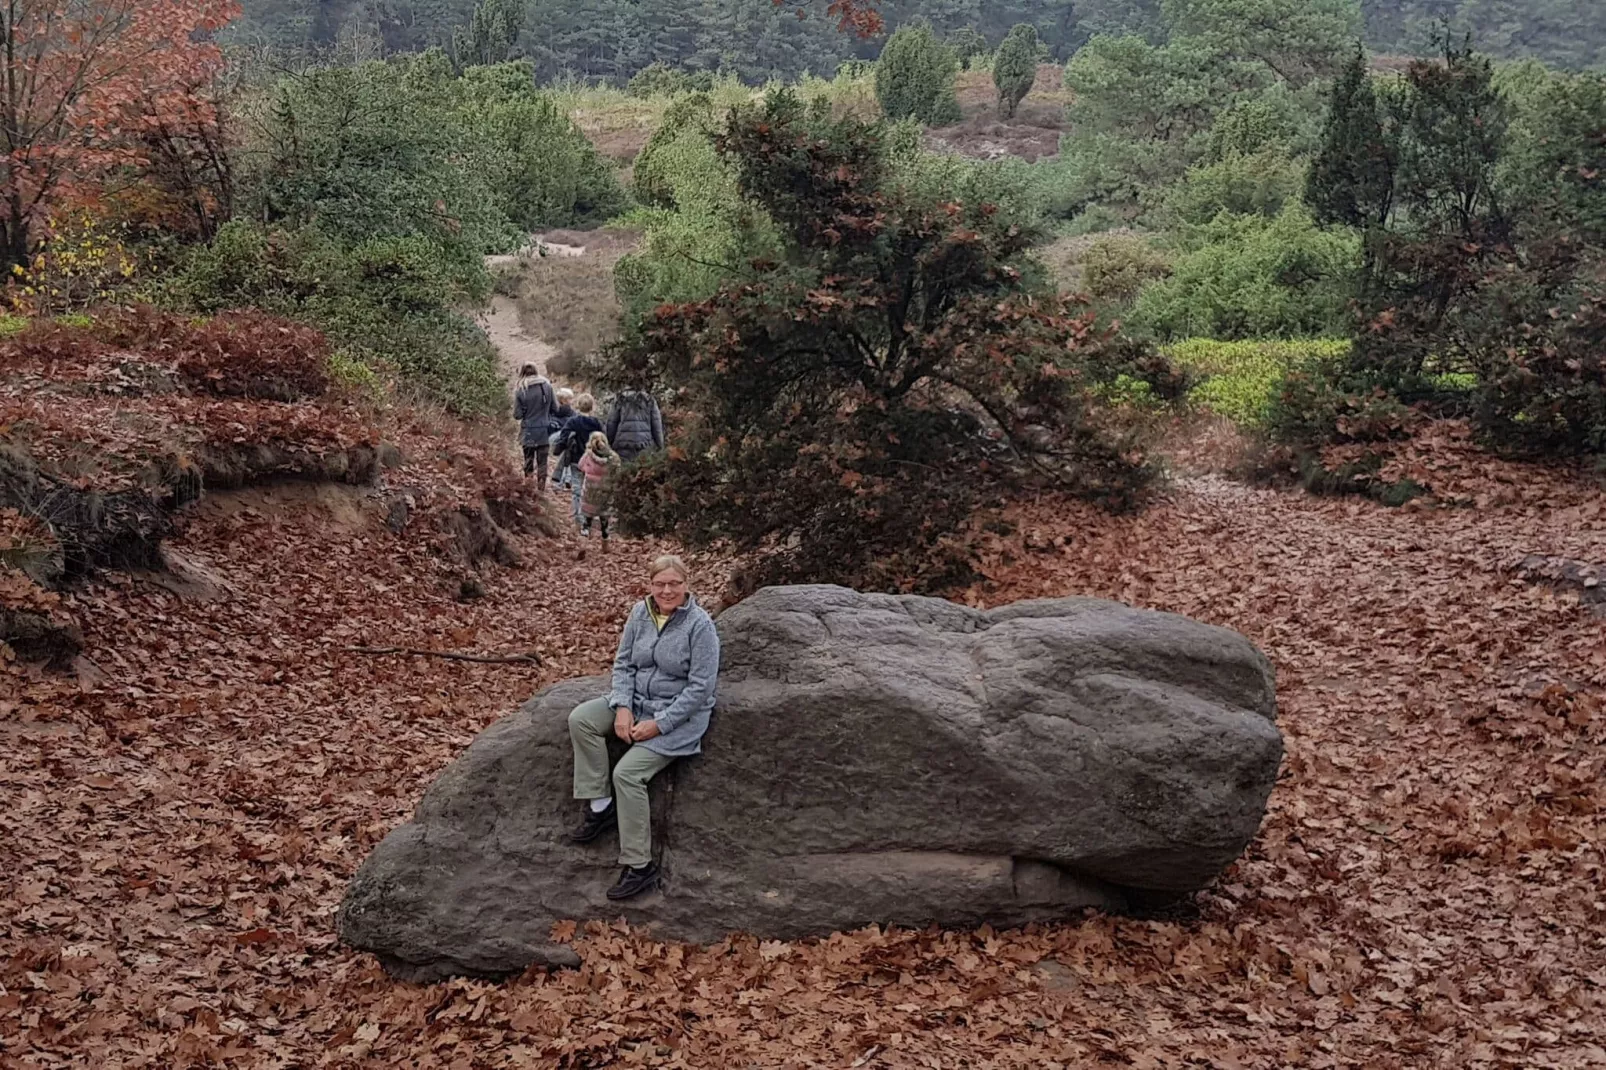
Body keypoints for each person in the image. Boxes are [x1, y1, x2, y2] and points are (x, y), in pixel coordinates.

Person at [567, 555, 719, 900]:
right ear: (650, 585)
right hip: (636, 703)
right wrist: (622, 706)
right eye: (660, 583)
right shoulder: (640, 613)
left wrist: (659, 725)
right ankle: (601, 808)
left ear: (686, 584)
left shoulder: (700, 625)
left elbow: (700, 688)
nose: (667, 590)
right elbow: (623, 664)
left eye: (674, 584)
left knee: (627, 774)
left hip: (677, 717)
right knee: (582, 720)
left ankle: (640, 866)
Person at [554, 394, 603, 525]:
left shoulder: (572, 422)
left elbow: (563, 438)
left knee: (577, 488)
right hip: (592, 460)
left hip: (576, 458)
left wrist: (557, 450)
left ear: (578, 406)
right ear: (592, 407)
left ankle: (577, 516)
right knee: (590, 488)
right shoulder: (596, 423)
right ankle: (589, 515)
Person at [513, 363, 559, 483]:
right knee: (542, 462)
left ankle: (529, 488)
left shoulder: (520, 389)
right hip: (544, 430)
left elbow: (517, 415)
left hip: (528, 431)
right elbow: (555, 408)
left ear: (522, 373)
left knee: (528, 460)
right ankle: (541, 488)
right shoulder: (547, 386)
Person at [605, 387, 665, 463]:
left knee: (624, 471)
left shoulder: (620, 400)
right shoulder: (649, 400)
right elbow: (657, 427)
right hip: (644, 444)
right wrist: (660, 446)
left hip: (623, 444)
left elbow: (611, 424)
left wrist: (609, 444)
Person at [576, 431, 617, 540]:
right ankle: (605, 535)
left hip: (590, 490)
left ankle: (585, 531)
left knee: (588, 513)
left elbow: (580, 466)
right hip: (605, 490)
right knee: (604, 513)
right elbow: (618, 470)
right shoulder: (612, 457)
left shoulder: (588, 456)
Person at [547, 389, 576, 489]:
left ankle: (563, 479)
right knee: (570, 446)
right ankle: (566, 478)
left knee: (568, 451)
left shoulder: (551, 410)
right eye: (570, 399)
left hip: (557, 439)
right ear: (564, 400)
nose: (572, 401)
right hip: (557, 439)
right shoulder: (571, 413)